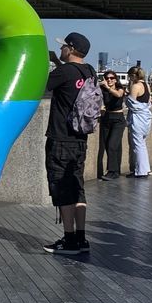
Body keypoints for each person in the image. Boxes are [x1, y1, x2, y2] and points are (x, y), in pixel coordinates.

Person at [42, 32, 96, 256]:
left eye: (64, 47)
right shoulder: (90, 70)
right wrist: (57, 61)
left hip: (61, 137)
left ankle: (69, 239)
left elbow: (42, 87)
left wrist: (51, 64)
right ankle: (81, 237)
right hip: (80, 138)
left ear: (71, 49)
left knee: (62, 187)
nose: (62, 49)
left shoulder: (64, 71)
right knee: (77, 187)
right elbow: (73, 84)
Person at [97, 71, 126, 178]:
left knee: (112, 145)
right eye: (107, 78)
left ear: (115, 79)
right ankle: (115, 170)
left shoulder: (119, 88)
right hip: (106, 118)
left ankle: (112, 171)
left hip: (118, 119)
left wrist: (108, 88)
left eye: (111, 78)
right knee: (107, 145)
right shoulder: (102, 89)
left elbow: (118, 95)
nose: (109, 80)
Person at [126, 65, 152, 177]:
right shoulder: (146, 85)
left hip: (138, 119)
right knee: (142, 144)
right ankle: (144, 169)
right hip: (146, 118)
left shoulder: (136, 86)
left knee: (138, 145)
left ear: (133, 76)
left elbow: (131, 103)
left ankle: (141, 171)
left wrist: (126, 97)